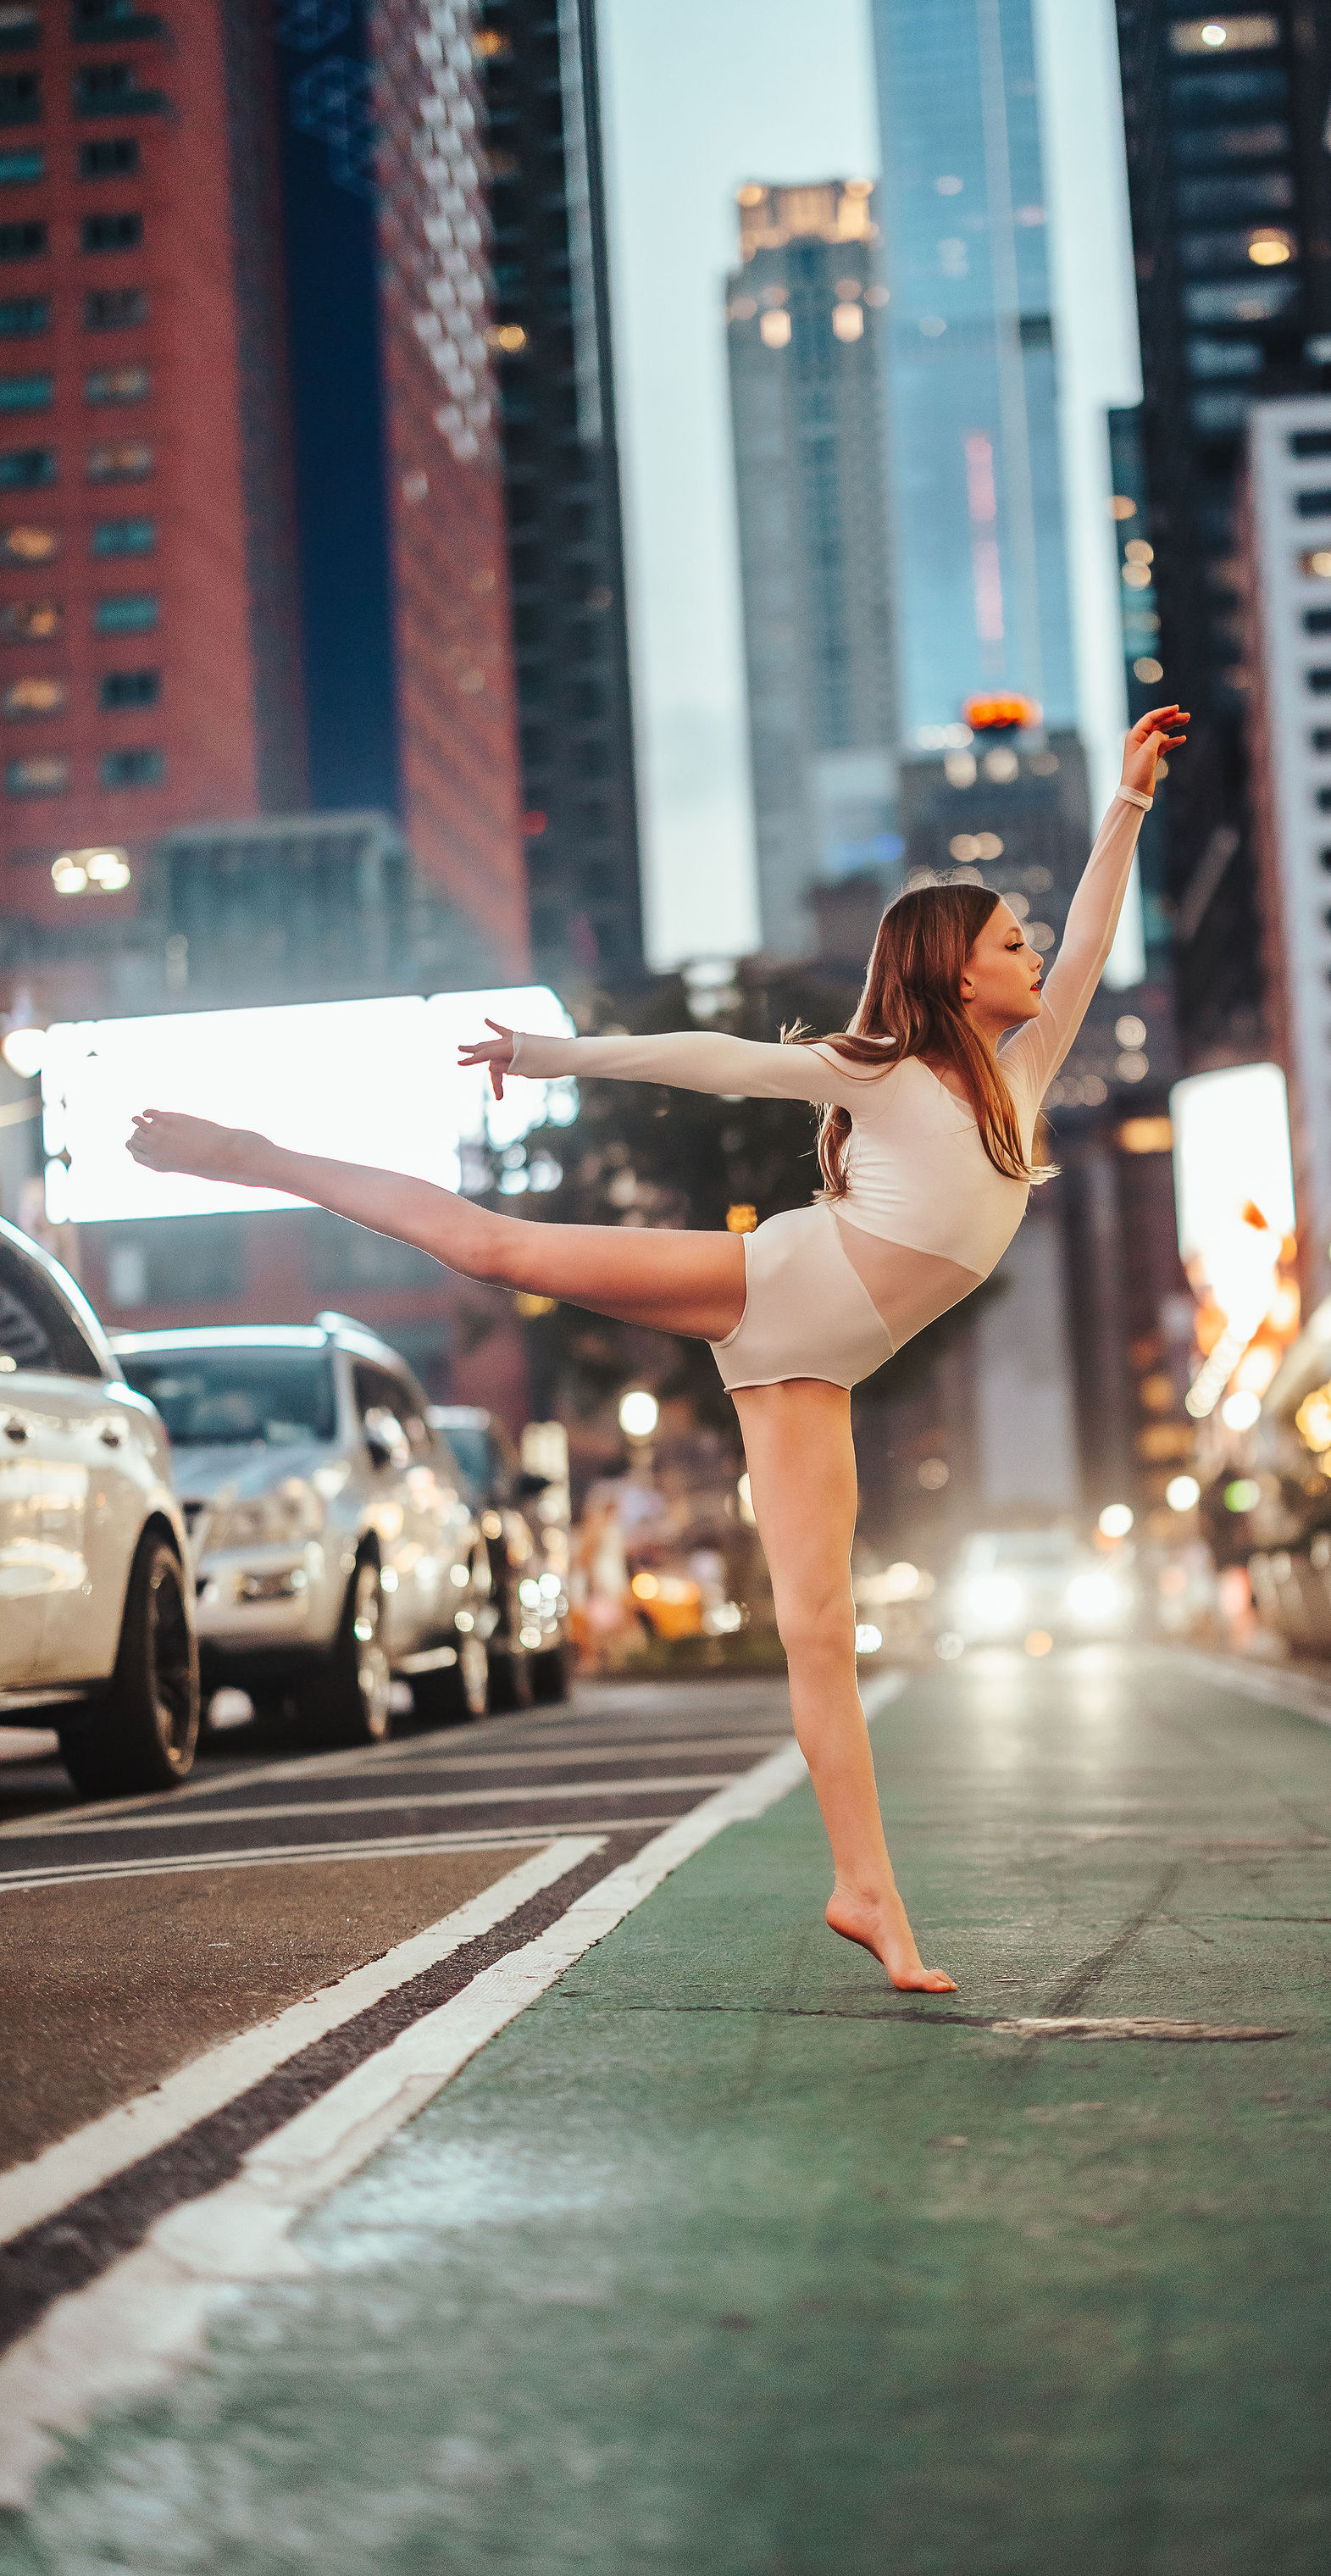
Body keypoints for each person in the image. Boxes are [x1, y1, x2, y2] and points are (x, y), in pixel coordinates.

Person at [128, 705, 1187, 1993]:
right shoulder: (881, 1068)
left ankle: (866, 1891)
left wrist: (1127, 801)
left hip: (819, 1366)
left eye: (1026, 941)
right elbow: (722, 1064)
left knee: (819, 1629)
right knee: (495, 1248)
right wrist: (548, 1052)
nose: (1034, 955)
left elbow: (1088, 938)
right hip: (777, 1283)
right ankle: (251, 1154)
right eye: (1007, 942)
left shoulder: (1019, 1081)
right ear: (958, 974)